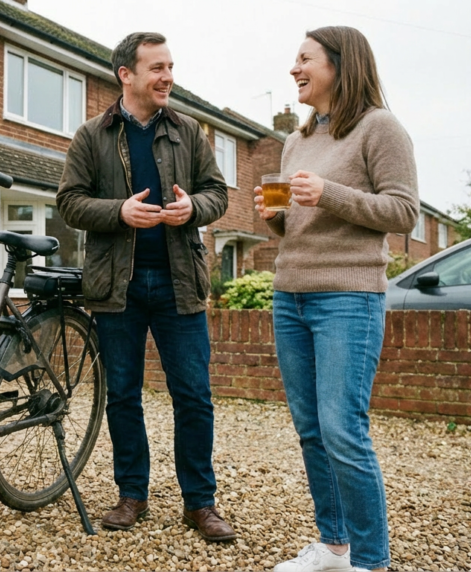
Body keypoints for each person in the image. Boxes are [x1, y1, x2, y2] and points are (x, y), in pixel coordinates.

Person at [57, 31, 235, 542]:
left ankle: (200, 503)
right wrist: (119, 211)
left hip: (180, 285)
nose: (168, 77)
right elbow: (69, 202)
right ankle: (132, 494)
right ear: (126, 75)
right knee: (122, 395)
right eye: (157, 67)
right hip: (117, 287)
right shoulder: (92, 135)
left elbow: (217, 193)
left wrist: (193, 209)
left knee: (195, 396)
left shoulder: (189, 131)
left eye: (171, 66)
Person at [254, 26, 418, 572]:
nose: (294, 69)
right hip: (290, 295)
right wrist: (277, 216)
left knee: (343, 429)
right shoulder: (296, 140)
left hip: (348, 296)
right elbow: (296, 226)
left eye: (304, 59)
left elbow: (403, 212)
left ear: (340, 65)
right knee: (310, 428)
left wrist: (331, 193)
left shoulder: (380, 128)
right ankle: (334, 545)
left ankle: (371, 561)